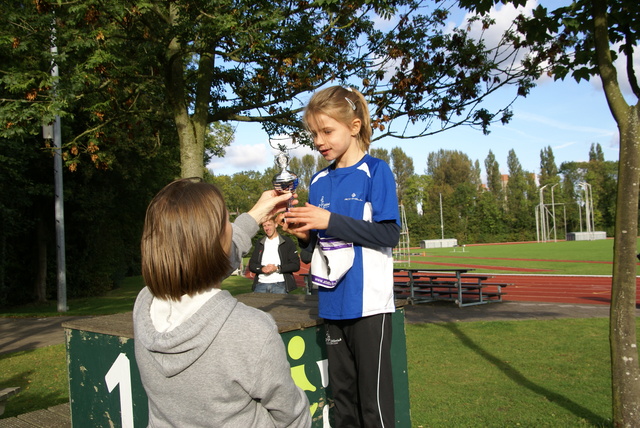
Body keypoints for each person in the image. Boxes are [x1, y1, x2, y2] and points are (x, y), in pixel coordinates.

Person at [133, 178, 311, 428]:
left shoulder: (144, 305)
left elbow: (204, 260)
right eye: (227, 221)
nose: (231, 226)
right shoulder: (249, 330)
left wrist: (255, 215)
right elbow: (291, 416)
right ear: (216, 243)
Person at [284, 86, 401, 427]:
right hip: (332, 304)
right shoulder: (318, 180)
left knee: (373, 406)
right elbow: (316, 248)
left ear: (353, 126)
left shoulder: (376, 171)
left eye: (326, 131)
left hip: (369, 306)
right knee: (343, 401)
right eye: (313, 134)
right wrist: (305, 235)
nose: (318, 141)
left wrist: (329, 221)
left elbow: (388, 234)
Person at [249, 213, 301, 293]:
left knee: (280, 306)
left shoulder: (287, 242)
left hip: (280, 285)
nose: (267, 228)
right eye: (264, 226)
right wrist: (262, 268)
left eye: (269, 225)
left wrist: (277, 268)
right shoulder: (259, 242)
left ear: (276, 225)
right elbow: (252, 265)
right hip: (260, 285)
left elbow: (295, 265)